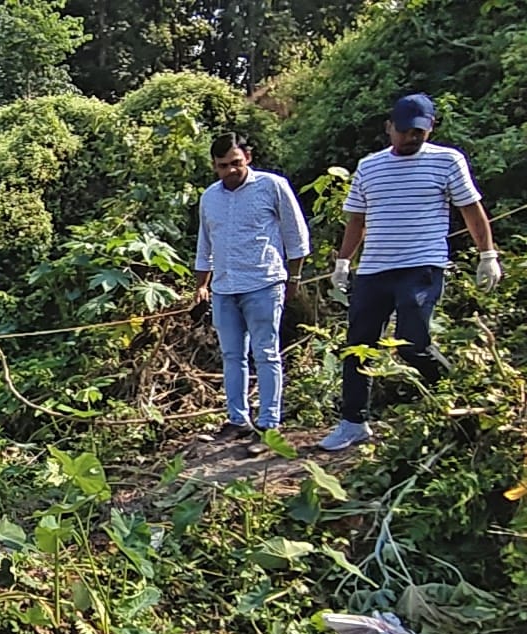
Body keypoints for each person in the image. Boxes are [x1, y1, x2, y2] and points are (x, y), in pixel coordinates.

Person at [318, 93, 502, 452]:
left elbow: (472, 210)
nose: (411, 138)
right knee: (358, 345)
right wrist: (343, 262)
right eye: (403, 131)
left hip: (421, 265)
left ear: (430, 127)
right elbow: (357, 219)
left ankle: (454, 397)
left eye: (418, 131)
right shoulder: (369, 166)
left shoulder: (447, 161)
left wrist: (488, 254)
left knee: (413, 340)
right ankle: (353, 422)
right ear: (389, 128)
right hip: (374, 268)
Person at [193, 132, 310, 439]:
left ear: (248, 158)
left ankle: (270, 423)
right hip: (224, 288)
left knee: (266, 352)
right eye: (222, 166)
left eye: (235, 163)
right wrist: (201, 286)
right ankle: (237, 420)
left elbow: (295, 235)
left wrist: (294, 277)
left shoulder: (272, 186)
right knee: (232, 355)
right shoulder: (210, 197)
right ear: (214, 166)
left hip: (263, 283)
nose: (230, 171)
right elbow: (204, 244)